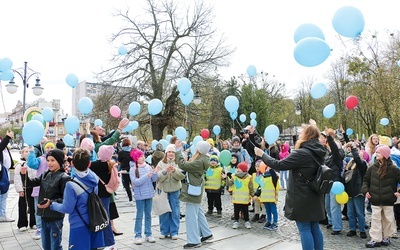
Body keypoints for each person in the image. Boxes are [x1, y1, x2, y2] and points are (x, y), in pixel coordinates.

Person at [254, 123, 326, 250]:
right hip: (315, 194)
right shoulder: (319, 150)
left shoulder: (302, 153)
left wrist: (262, 155)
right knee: (315, 227)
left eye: (301, 133)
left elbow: (279, 165)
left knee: (304, 229)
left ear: (306, 135)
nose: (299, 135)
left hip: (302, 196)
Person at [49, 148, 105, 249]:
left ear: (72, 164)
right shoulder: (95, 178)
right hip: (94, 221)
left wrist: (52, 205)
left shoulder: (71, 185)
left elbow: (67, 208)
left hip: (79, 225)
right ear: (89, 164)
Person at [21, 149, 70, 250]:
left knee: (55, 246)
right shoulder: (45, 174)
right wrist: (23, 175)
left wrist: (50, 203)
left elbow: (65, 200)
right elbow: (31, 184)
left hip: (55, 217)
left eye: (53, 160)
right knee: (46, 246)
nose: (49, 163)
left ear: (60, 161)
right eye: (48, 160)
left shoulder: (64, 178)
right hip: (44, 216)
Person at [175, 141, 213, 249]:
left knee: (191, 216)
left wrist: (178, 152)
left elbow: (183, 165)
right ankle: (206, 233)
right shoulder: (204, 158)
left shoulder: (199, 161)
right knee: (198, 211)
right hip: (196, 188)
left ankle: (194, 240)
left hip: (193, 189)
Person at [362, 145, 400, 248]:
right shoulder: (372, 168)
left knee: (388, 219)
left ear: (384, 155)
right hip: (375, 198)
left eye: (379, 152)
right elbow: (365, 180)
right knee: (375, 219)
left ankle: (386, 236)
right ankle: (375, 238)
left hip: (388, 199)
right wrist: (365, 190)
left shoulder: (393, 169)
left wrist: (399, 192)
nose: (376, 154)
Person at [90, 145, 118, 249]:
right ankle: (110, 241)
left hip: (96, 195)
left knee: (98, 219)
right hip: (107, 194)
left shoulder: (94, 165)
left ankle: (102, 242)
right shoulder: (110, 164)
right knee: (106, 217)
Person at [27, 140, 55, 240]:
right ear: (44, 148)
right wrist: (31, 152)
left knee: (51, 207)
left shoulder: (56, 159)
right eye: (48, 147)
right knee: (38, 208)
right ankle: (39, 228)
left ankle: (51, 227)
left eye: (51, 147)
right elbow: (31, 164)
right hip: (39, 188)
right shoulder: (40, 159)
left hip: (52, 188)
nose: (49, 149)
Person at [156, 144, 185, 240]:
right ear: (166, 153)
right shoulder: (161, 163)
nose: (171, 154)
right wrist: (165, 171)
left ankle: (174, 232)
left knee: (175, 211)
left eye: (172, 152)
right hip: (163, 190)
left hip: (175, 190)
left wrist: (174, 171)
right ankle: (164, 231)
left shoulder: (178, 163)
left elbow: (181, 176)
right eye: (169, 152)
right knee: (164, 211)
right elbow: (158, 177)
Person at [130, 148, 158, 245]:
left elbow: (153, 179)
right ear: (136, 159)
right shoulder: (133, 169)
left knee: (148, 215)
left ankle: (148, 234)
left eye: (142, 156)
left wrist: (155, 172)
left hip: (149, 194)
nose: (142, 158)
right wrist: (147, 175)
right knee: (139, 215)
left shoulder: (148, 167)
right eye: (140, 156)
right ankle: (137, 235)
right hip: (140, 196)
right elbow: (136, 182)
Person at [344, 141, 368, 239]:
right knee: (350, 212)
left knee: (359, 212)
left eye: (358, 152)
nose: (357, 154)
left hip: (358, 191)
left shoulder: (362, 165)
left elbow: (358, 159)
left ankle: (362, 230)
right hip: (349, 191)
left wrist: (354, 148)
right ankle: (352, 229)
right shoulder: (349, 165)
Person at [14, 147, 36, 231]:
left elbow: (35, 175)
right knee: (23, 206)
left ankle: (33, 222)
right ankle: (22, 223)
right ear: (22, 154)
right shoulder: (19, 165)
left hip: (32, 187)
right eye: (25, 152)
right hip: (24, 188)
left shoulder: (33, 164)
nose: (27, 153)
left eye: (29, 152)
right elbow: (17, 178)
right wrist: (20, 190)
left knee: (33, 206)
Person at [227, 162, 254, 229]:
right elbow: (229, 184)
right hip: (237, 199)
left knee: (245, 211)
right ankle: (236, 221)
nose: (237, 169)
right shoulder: (234, 176)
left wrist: (253, 195)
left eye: (239, 168)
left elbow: (251, 188)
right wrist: (226, 178)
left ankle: (247, 221)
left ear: (243, 169)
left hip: (245, 199)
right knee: (236, 211)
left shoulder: (249, 177)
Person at [256, 164, 280, 231]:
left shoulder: (274, 177)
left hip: (271, 198)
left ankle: (275, 223)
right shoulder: (263, 177)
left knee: (273, 210)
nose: (267, 169)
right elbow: (260, 187)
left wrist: (271, 169)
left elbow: (274, 177)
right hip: (265, 198)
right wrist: (257, 195)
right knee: (268, 211)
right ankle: (269, 221)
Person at [0, 131, 15, 223]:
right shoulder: (3, 141)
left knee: (4, 194)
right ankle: (2, 214)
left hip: (4, 171)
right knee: (2, 194)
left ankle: (2, 214)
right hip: (1, 173)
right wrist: (7, 138)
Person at [118, 138, 134, 206]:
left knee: (127, 185)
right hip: (132, 169)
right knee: (133, 183)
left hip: (124, 170)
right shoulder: (132, 151)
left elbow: (119, 161)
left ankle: (130, 199)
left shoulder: (121, 152)